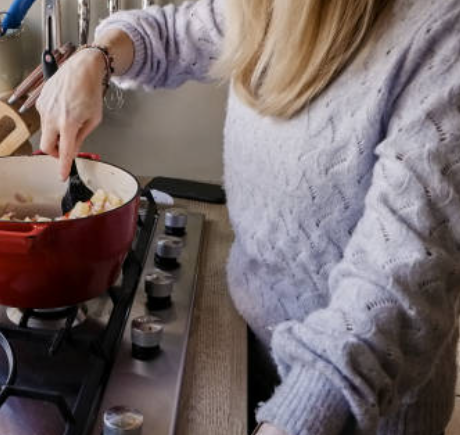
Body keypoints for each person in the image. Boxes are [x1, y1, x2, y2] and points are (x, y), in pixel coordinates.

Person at [36, 0, 460, 434]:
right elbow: (171, 33)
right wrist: (97, 58)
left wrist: (291, 419)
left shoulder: (443, 37)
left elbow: (396, 288)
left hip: (360, 405)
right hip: (249, 345)